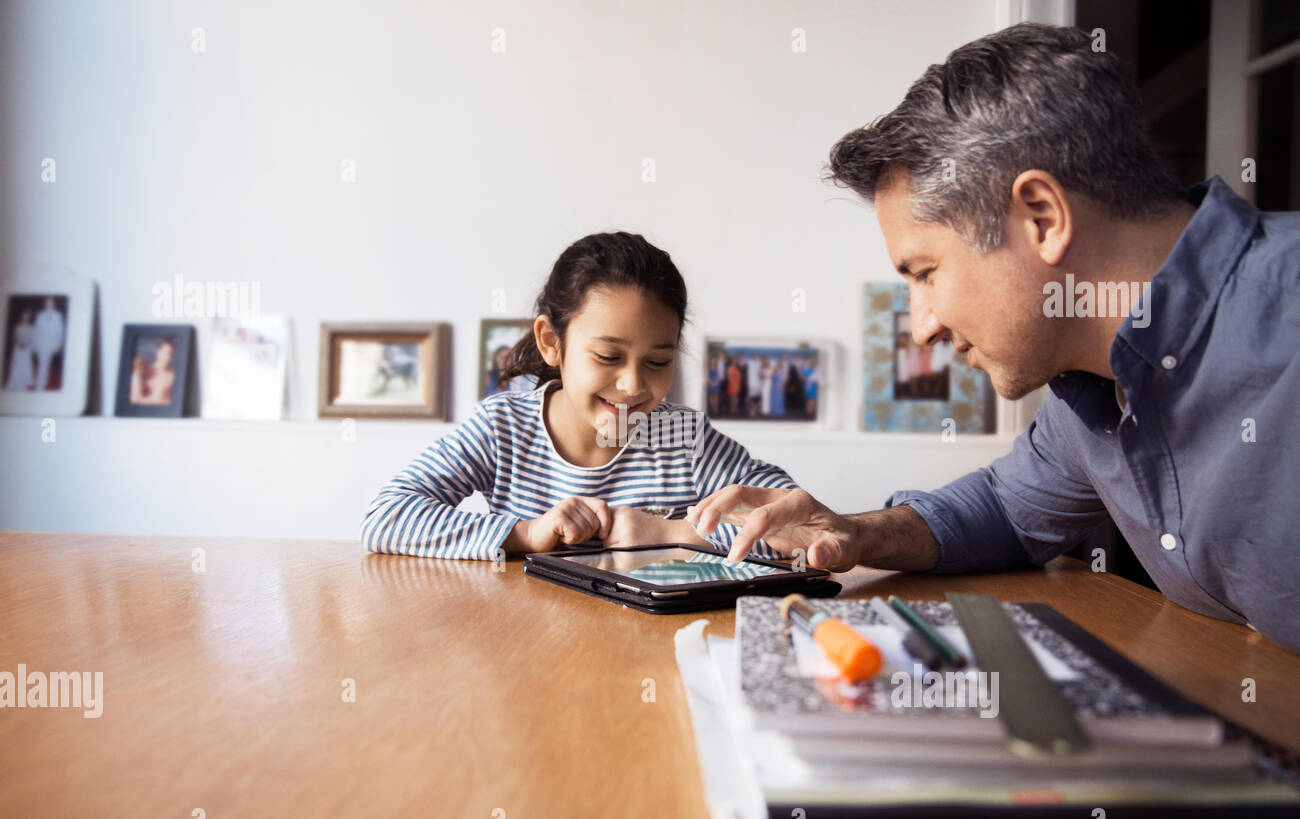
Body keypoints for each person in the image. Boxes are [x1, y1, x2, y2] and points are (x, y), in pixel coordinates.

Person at [688, 23, 1300, 651]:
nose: (921, 327)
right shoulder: (1087, 387)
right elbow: (1007, 508)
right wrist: (856, 533)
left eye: (925, 274)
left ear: (1041, 217)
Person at [361, 232, 800, 559]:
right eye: (608, 356)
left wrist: (670, 533)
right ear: (552, 342)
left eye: (657, 362)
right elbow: (387, 518)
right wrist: (528, 533)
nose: (632, 386)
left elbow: (796, 527)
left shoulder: (681, 437)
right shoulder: (503, 428)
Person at [32, 297, 64, 390]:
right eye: (47, 303)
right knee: (43, 364)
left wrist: (59, 345)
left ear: (54, 304)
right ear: (45, 304)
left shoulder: (58, 315)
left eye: (51, 303)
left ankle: (43, 383)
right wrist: (34, 344)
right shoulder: (40, 315)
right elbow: (36, 331)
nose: (49, 304)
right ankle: (39, 386)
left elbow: (60, 331)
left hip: (52, 344)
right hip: (41, 344)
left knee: (47, 364)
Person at [4, 311, 36, 391]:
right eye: (24, 315)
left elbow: (32, 339)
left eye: (27, 316)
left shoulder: (31, 327)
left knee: (26, 364)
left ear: (29, 317)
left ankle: (25, 381)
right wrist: (19, 342)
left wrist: (28, 345)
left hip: (27, 349)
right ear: (22, 316)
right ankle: (15, 381)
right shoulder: (17, 326)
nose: (26, 317)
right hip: (18, 348)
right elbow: (13, 337)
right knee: (17, 364)